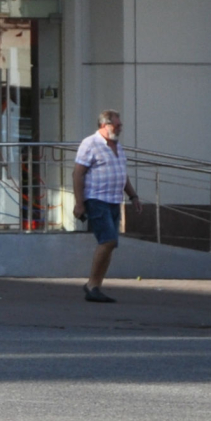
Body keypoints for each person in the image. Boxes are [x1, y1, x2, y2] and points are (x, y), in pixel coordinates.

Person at [73, 109, 139, 303]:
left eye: (120, 126)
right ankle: (92, 285)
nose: (119, 129)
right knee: (108, 241)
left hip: (114, 200)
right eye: (117, 125)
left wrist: (133, 196)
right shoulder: (90, 143)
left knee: (110, 244)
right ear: (105, 125)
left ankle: (95, 285)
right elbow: (77, 174)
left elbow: (121, 174)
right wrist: (79, 203)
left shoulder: (117, 146)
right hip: (96, 200)